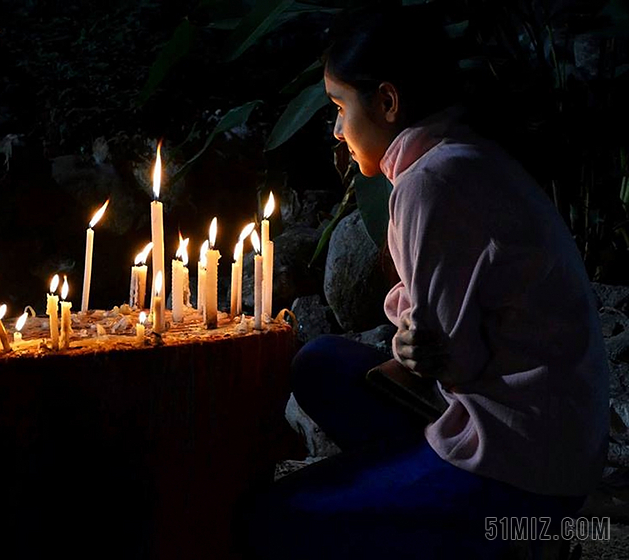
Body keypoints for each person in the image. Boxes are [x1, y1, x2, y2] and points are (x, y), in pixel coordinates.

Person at [237, 6, 609, 559]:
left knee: (268, 521)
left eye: (340, 107)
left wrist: (418, 344)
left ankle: (501, 536)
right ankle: (413, 494)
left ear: (387, 102)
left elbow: (453, 362)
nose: (337, 130)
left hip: (521, 468)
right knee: (318, 364)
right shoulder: (460, 155)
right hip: (558, 439)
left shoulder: (430, 184)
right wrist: (415, 340)